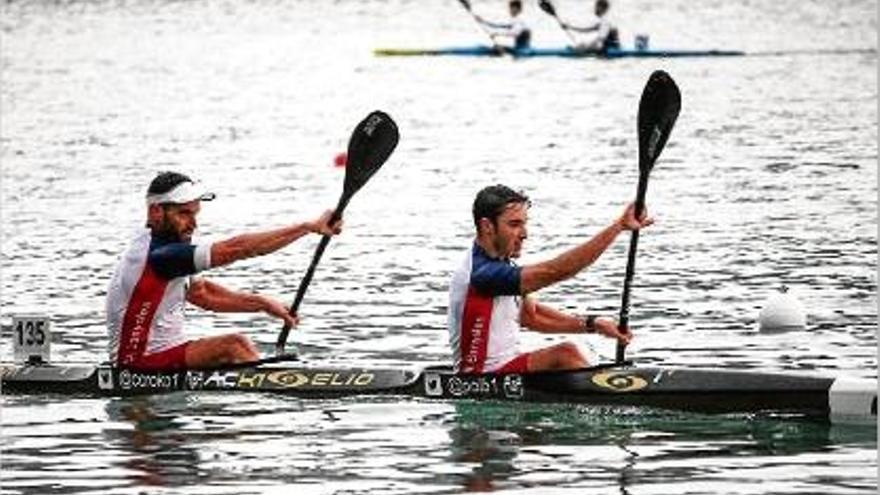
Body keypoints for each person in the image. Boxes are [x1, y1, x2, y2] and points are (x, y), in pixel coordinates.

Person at [106, 171, 342, 370]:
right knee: (234, 345)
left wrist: (262, 303)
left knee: (236, 346)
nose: (193, 224)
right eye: (184, 214)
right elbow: (236, 249)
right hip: (139, 365)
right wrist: (307, 227)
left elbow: (202, 293)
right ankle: (274, 393)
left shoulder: (155, 242)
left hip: (162, 357)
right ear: (155, 212)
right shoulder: (160, 256)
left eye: (195, 213)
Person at [448, 184, 653, 374]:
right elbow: (556, 271)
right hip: (480, 379)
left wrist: (593, 324)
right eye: (514, 224)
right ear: (487, 226)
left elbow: (532, 316)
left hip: (507, 369)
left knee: (581, 350)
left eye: (524, 224)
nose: (524, 234)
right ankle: (612, 398)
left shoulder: (502, 266)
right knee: (566, 354)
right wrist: (618, 227)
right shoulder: (483, 274)